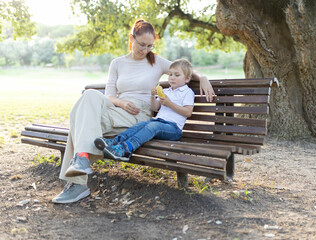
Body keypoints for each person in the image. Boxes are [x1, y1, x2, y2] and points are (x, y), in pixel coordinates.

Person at [52, 19, 215, 204]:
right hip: (118, 108)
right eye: (141, 45)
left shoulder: (157, 61)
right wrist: (121, 103)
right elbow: (110, 95)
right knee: (89, 96)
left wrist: (203, 77)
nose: (145, 50)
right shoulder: (117, 63)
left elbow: (184, 69)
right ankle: (81, 160)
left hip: (139, 114)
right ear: (132, 39)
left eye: (150, 46)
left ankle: (77, 185)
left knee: (79, 123)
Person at [94, 59, 194, 161]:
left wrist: (170, 104)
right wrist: (152, 95)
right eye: (170, 74)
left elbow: (188, 112)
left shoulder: (187, 92)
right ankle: (114, 142)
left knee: (152, 126)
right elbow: (155, 108)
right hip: (158, 123)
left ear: (187, 79)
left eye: (177, 75)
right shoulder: (166, 91)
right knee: (139, 125)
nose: (172, 78)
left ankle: (126, 149)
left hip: (174, 128)